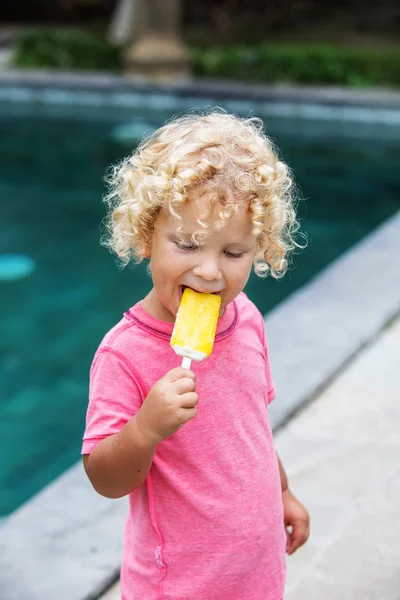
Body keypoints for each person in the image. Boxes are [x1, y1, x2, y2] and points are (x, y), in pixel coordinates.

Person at [82, 110, 310, 600]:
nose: (209, 272)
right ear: (146, 236)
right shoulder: (124, 354)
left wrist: (283, 491)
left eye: (233, 253)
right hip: (180, 585)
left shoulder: (245, 317)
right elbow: (105, 477)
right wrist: (145, 429)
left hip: (256, 574)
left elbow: (251, 429)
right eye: (187, 244)